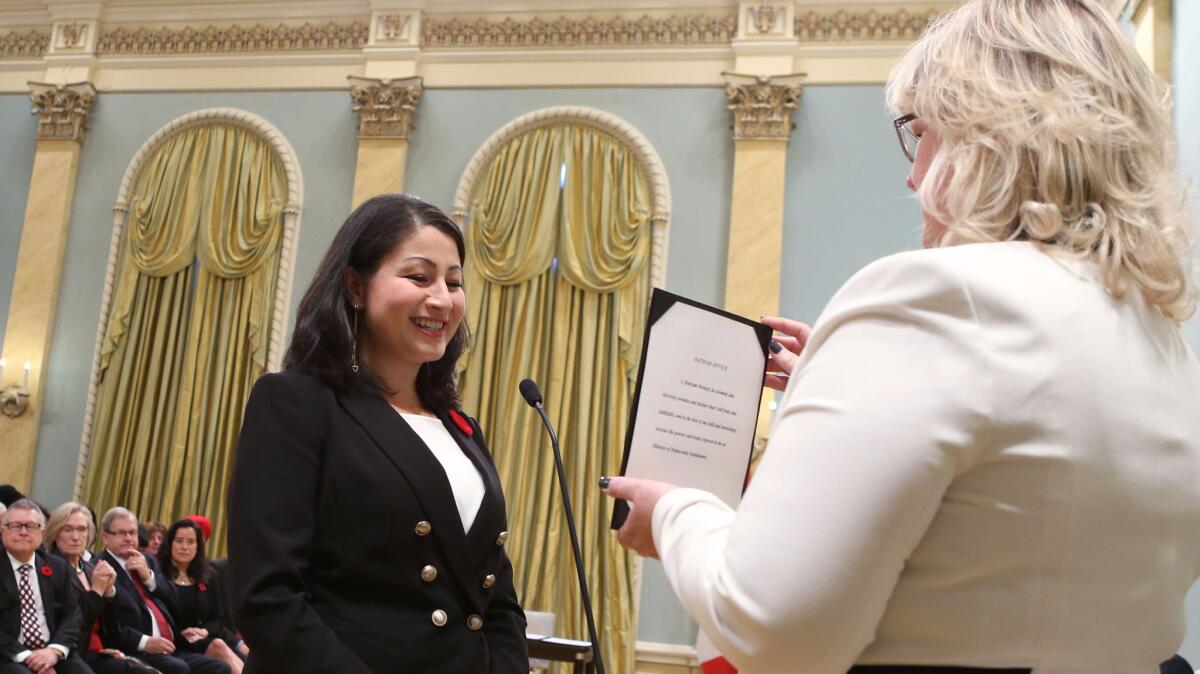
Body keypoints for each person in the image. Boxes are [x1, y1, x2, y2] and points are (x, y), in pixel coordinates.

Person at [602, 1, 1200, 672]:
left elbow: (774, 628)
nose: (912, 175)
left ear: (983, 131)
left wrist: (679, 514)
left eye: (921, 133)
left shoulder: (936, 299)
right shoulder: (1158, 338)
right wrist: (833, 391)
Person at [228, 194, 528, 674]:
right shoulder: (296, 403)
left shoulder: (461, 428)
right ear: (355, 286)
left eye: (454, 282)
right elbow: (268, 597)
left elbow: (496, 601)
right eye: (418, 276)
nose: (442, 299)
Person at [98, 508, 229, 674]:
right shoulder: (100, 568)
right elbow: (110, 624)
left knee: (219, 667)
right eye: (121, 533)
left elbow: (172, 597)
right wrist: (146, 642)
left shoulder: (149, 560)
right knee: (179, 668)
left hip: (172, 644)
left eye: (132, 532)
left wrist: (148, 577)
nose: (128, 538)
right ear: (106, 538)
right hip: (138, 648)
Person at [45, 502, 154, 674]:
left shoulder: (90, 568)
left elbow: (111, 628)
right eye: (67, 529)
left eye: (82, 529)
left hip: (98, 650)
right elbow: (71, 624)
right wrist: (96, 592)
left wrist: (110, 594)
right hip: (70, 652)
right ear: (54, 533)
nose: (76, 536)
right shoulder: (49, 569)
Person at [0, 499, 92, 674]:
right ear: (2, 530)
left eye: (31, 526)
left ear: (42, 532)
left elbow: (72, 614)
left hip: (52, 652)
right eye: (16, 526)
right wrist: (28, 656)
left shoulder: (57, 567)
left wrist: (53, 651)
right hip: (8, 655)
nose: (24, 532)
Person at [157, 519, 244, 673]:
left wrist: (204, 632)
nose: (185, 547)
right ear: (170, 544)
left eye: (191, 542)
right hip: (172, 642)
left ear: (198, 547)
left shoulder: (208, 576)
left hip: (200, 639)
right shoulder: (158, 575)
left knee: (225, 648)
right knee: (219, 647)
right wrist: (182, 634)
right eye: (179, 541)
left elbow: (218, 619)